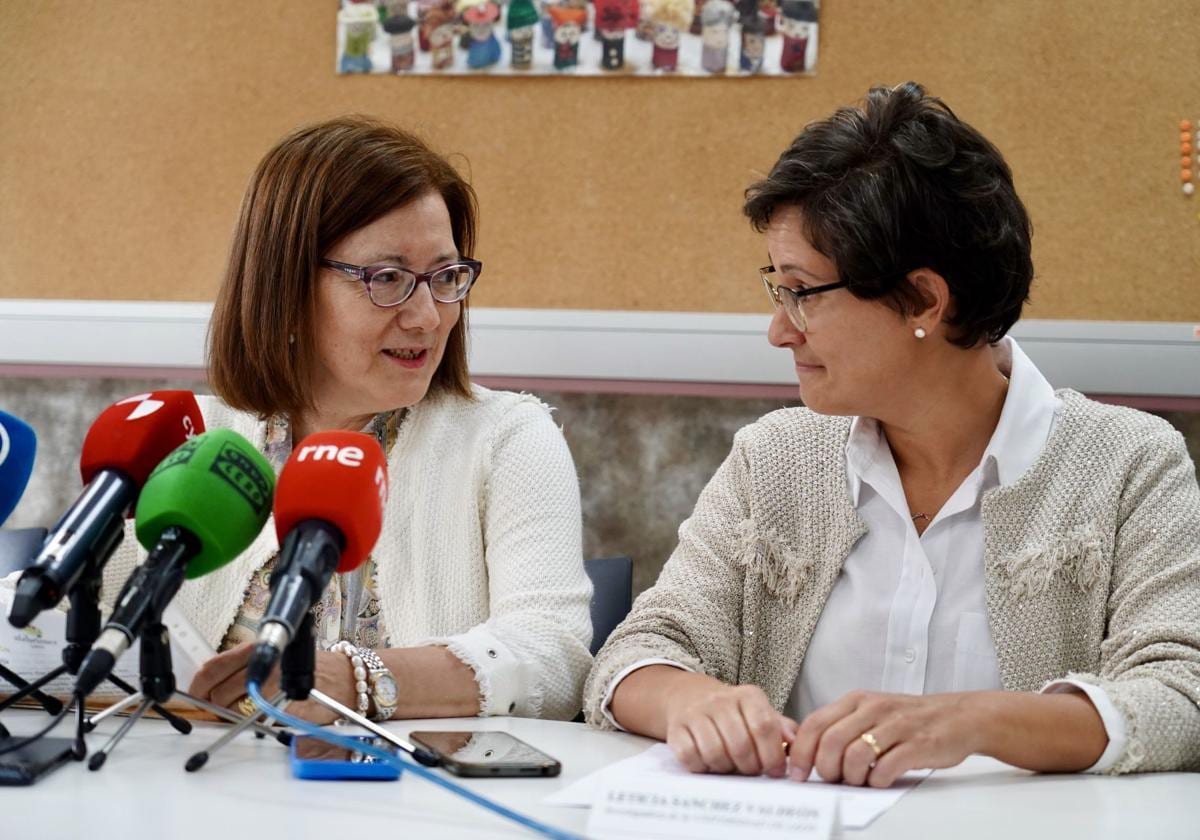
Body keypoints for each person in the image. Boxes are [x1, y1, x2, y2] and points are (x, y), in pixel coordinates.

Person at [584, 82, 1200, 785]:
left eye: (802, 292)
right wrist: (693, 700)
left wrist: (971, 722)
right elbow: (639, 650)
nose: (779, 330)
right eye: (774, 288)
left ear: (924, 301)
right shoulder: (775, 459)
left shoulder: (1129, 464)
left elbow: (1182, 694)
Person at [102, 116, 593, 723]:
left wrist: (359, 680)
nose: (428, 317)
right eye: (387, 277)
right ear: (285, 284)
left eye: (445, 278)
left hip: (422, 809)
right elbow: (69, 620)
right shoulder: (190, 439)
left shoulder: (508, 439)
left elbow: (558, 656)